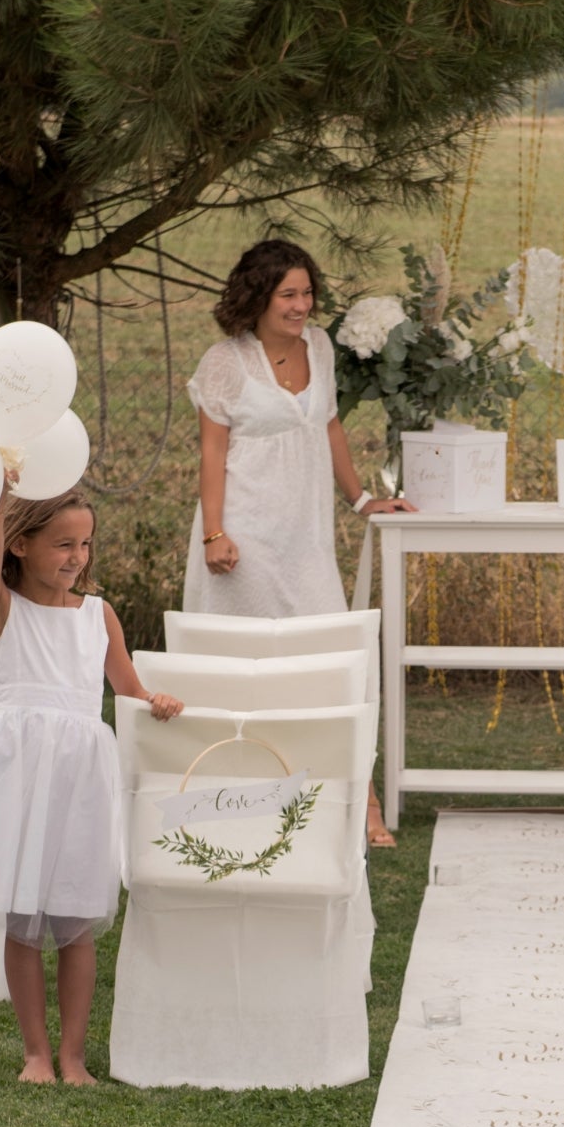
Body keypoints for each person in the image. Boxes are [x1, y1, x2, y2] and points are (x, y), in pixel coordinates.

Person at [0, 486, 183, 1086]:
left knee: (77, 917)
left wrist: (152, 698)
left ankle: (74, 1056)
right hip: (18, 777)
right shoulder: (0, 607)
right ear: (21, 545)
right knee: (22, 916)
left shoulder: (97, 615)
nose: (77, 556)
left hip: (81, 779)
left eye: (85, 543)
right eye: (62, 544)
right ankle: (35, 1053)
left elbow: (126, 687)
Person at [183, 236, 412, 844]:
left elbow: (328, 424)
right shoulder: (225, 363)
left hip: (306, 542)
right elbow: (212, 453)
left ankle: (360, 803)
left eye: (307, 292)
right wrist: (214, 533)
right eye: (288, 294)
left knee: (336, 665)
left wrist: (361, 498)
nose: (301, 305)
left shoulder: (320, 347)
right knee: (244, 673)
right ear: (258, 298)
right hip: (244, 538)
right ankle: (234, 801)